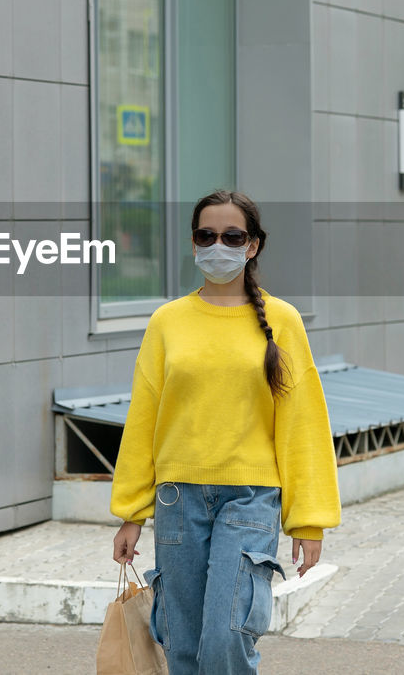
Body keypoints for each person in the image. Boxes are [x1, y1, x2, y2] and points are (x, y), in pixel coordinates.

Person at [109, 190, 341, 675]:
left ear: (252, 245)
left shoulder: (282, 322)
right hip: (177, 500)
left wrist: (308, 519)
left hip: (251, 498)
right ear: (194, 244)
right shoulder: (166, 322)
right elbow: (144, 419)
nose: (219, 245)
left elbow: (302, 423)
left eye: (232, 236)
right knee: (185, 646)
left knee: (226, 637)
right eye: (206, 235)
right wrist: (131, 512)